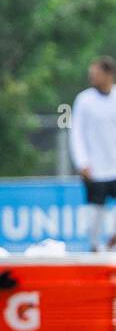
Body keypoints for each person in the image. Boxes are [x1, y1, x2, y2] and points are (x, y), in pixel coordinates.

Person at [69, 55, 116, 252]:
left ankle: (112, 244)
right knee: (95, 211)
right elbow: (76, 133)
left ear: (108, 74)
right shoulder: (84, 100)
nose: (92, 77)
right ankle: (95, 248)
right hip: (94, 168)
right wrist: (82, 162)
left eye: (95, 73)